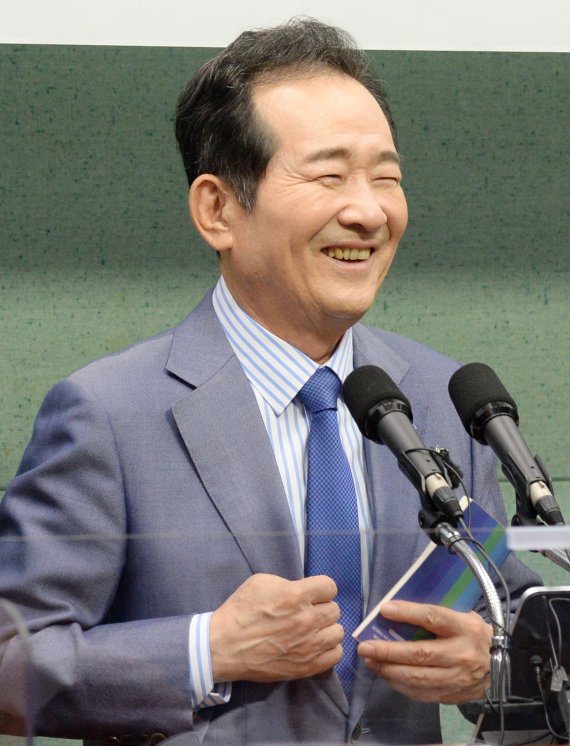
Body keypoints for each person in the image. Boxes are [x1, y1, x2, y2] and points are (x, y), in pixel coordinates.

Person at [0, 18, 540, 745]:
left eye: (387, 177)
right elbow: (11, 662)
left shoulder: (446, 403)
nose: (369, 211)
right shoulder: (109, 415)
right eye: (329, 175)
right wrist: (206, 650)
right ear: (218, 210)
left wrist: (493, 664)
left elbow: (516, 621)